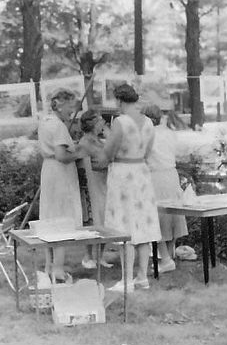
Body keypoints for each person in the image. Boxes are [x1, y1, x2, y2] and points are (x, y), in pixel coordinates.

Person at [99, 83, 161, 292]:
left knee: (124, 225)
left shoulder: (121, 122)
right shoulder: (149, 123)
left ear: (119, 101)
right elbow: (149, 150)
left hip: (123, 174)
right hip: (141, 173)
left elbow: (109, 151)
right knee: (142, 224)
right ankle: (142, 276)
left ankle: (126, 279)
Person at [37, 88, 83, 282]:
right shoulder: (58, 126)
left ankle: (49, 265)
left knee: (50, 218)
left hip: (49, 171)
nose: (72, 113)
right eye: (70, 108)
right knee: (61, 220)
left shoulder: (45, 121)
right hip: (59, 174)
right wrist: (81, 153)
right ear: (60, 104)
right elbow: (62, 155)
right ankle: (57, 269)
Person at [142, 104, 189, 272]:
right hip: (171, 174)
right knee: (171, 215)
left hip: (155, 176)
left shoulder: (147, 134)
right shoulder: (169, 133)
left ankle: (166, 257)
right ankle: (168, 255)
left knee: (157, 217)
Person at [76, 109, 112, 269]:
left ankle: (100, 255)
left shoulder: (100, 141)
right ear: (92, 124)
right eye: (100, 122)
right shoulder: (85, 143)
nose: (103, 124)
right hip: (93, 183)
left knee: (104, 218)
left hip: (104, 182)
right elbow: (86, 165)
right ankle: (87, 256)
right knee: (94, 218)